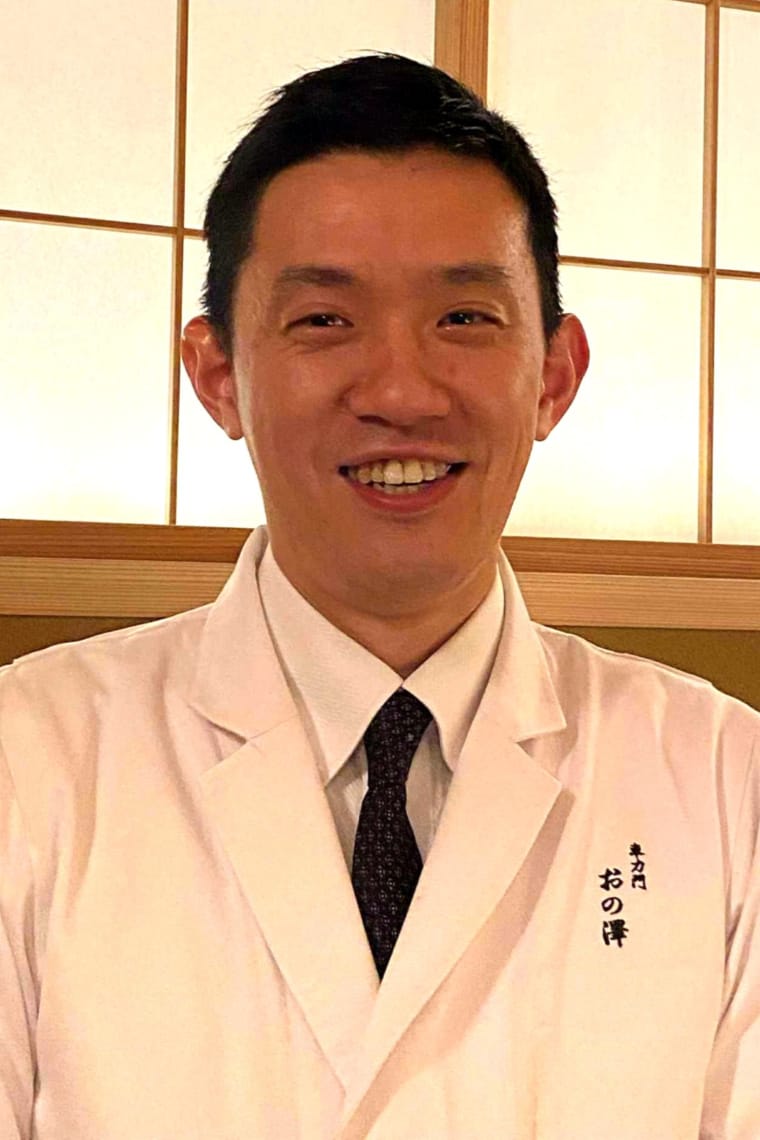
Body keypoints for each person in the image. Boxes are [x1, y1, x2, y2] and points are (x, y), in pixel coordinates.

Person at [0, 52, 758, 1140]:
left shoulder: (725, 781)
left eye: (464, 318)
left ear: (554, 374)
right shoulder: (29, 761)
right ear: (218, 376)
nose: (402, 392)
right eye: (323, 321)